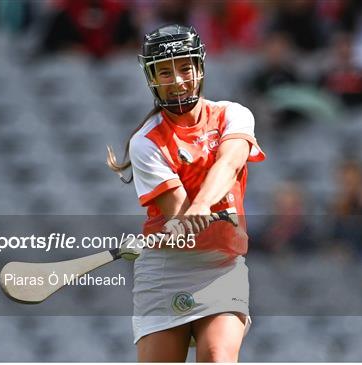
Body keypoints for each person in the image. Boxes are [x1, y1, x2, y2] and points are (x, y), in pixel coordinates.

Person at [106, 24, 265, 362]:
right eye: (165, 71)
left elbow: (230, 160)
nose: (177, 80)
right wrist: (188, 217)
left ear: (199, 68)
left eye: (184, 67)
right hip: (167, 268)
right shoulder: (145, 143)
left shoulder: (232, 114)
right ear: (151, 78)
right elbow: (181, 213)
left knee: (218, 357)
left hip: (222, 265)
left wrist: (203, 205)